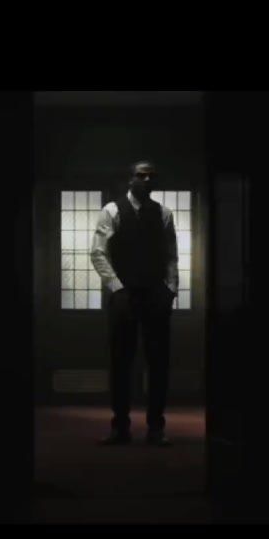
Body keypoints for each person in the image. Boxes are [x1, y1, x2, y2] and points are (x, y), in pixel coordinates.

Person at [89, 161, 179, 446]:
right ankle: (120, 428)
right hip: (123, 294)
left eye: (152, 175)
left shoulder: (164, 213)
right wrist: (117, 289)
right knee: (120, 362)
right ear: (130, 179)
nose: (147, 179)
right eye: (141, 175)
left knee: (159, 363)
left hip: (155, 293)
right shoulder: (112, 210)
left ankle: (156, 428)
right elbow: (98, 253)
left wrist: (171, 290)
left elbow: (171, 255)